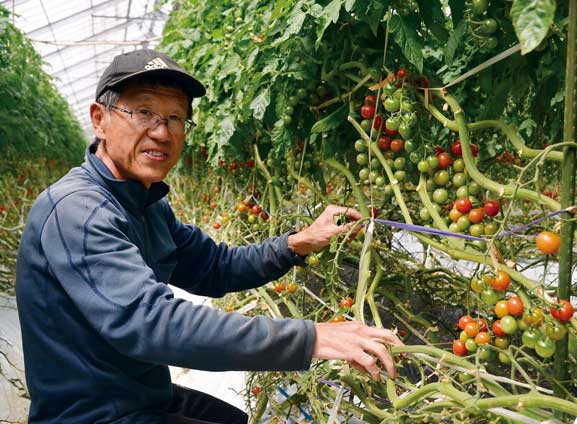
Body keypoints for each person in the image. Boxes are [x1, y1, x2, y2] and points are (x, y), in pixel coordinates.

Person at [15, 49, 402, 424]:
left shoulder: (145, 203)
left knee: (232, 417)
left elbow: (214, 267)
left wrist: (294, 244)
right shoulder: (78, 211)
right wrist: (311, 338)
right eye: (144, 112)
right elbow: (153, 323)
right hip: (93, 413)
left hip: (137, 393)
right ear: (100, 120)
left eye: (175, 117)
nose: (162, 132)